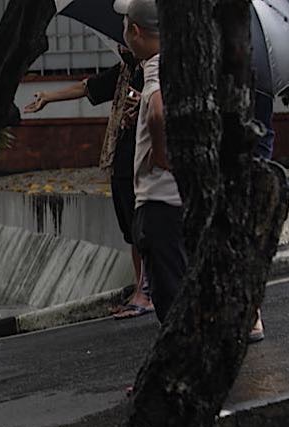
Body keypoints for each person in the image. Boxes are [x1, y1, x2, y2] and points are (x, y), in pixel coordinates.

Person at [24, 50, 153, 319]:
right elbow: (88, 87)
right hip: (122, 157)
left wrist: (145, 104)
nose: (123, 41)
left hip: (145, 159)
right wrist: (48, 97)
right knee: (131, 230)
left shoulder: (156, 71)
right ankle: (140, 288)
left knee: (144, 230)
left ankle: (148, 293)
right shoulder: (126, 72)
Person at [115, 0, 185, 324]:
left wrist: (159, 153)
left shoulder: (156, 68)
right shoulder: (176, 64)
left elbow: (158, 112)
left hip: (158, 201)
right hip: (172, 201)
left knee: (171, 299)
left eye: (125, 25)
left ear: (136, 31)